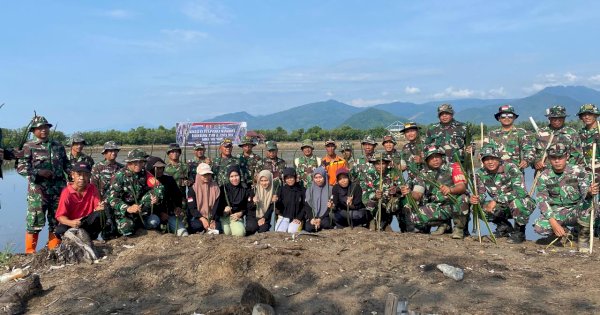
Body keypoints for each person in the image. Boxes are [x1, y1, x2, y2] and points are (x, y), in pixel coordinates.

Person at [17, 115, 70, 254]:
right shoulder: (29, 146)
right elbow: (21, 167)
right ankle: (30, 252)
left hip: (58, 190)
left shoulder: (58, 146)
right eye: (40, 128)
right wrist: (38, 173)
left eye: (45, 127)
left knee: (57, 221)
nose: (44, 130)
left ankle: (54, 250)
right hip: (38, 192)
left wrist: (76, 178)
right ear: (33, 131)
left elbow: (67, 165)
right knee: (34, 222)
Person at [533, 144, 598, 252]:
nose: (557, 161)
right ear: (549, 159)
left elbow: (584, 193)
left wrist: (590, 192)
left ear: (567, 156)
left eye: (560, 157)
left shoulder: (578, 171)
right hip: (556, 212)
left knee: (591, 206)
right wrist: (554, 224)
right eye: (553, 158)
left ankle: (583, 237)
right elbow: (542, 201)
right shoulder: (544, 176)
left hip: (575, 210)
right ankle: (565, 232)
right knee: (539, 227)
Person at [469, 144, 534, 243]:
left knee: (517, 203)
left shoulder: (511, 168)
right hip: (501, 206)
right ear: (482, 161)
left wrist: (496, 200)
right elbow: (481, 193)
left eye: (493, 158)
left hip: (521, 203)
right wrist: (476, 198)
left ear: (499, 158)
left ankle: (519, 232)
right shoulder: (480, 174)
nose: (490, 162)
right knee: (475, 207)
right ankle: (504, 226)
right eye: (486, 159)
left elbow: (520, 192)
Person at [400, 146, 469, 239]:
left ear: (442, 157)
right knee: (414, 218)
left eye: (437, 156)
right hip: (438, 206)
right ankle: (443, 224)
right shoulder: (422, 174)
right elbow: (418, 194)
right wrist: (409, 193)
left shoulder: (453, 166)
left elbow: (462, 187)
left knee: (463, 197)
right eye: (431, 158)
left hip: (454, 203)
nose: (435, 160)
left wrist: (451, 190)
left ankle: (459, 228)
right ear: (426, 160)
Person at [106, 149, 163, 236]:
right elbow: (112, 198)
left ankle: (140, 223)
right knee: (127, 228)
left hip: (141, 210)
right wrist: (127, 208)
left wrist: (156, 196)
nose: (138, 165)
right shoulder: (120, 175)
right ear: (129, 163)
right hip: (125, 213)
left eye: (141, 162)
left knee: (154, 221)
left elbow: (159, 187)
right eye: (135, 162)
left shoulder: (145, 173)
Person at [54, 161, 104, 241]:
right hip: (71, 223)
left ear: (89, 176)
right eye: (79, 174)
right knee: (60, 231)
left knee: (103, 213)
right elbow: (60, 216)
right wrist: (71, 222)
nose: (82, 178)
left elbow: (97, 206)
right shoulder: (66, 192)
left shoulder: (92, 188)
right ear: (73, 175)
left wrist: (101, 206)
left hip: (86, 222)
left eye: (85, 175)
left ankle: (101, 237)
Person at [146, 156, 187, 236]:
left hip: (169, 214)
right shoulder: (147, 180)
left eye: (161, 168)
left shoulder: (169, 179)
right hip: (154, 215)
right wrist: (160, 213)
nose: (160, 170)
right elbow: (147, 203)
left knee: (184, 233)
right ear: (151, 168)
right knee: (153, 222)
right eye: (157, 168)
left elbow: (177, 195)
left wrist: (178, 207)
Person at [484, 105, 534, 170]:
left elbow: (529, 149)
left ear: (514, 117)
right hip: (495, 173)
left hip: (515, 172)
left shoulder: (521, 132)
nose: (507, 118)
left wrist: (526, 160)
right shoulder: (491, 134)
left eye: (510, 116)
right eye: (503, 116)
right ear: (499, 118)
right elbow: (484, 151)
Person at [91, 141, 124, 239]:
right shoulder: (97, 167)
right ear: (104, 153)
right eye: (110, 151)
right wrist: (98, 202)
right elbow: (93, 186)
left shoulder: (121, 168)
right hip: (102, 201)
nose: (113, 153)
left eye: (115, 151)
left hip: (117, 200)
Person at [534, 105, 582, 170]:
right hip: (544, 172)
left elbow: (577, 155)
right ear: (549, 118)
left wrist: (567, 168)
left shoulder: (572, 133)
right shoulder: (540, 133)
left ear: (564, 118)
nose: (557, 121)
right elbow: (532, 153)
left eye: (560, 118)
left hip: (565, 173)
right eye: (554, 118)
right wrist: (536, 162)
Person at [363, 153, 401, 231]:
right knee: (370, 203)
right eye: (377, 164)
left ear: (387, 164)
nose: (380, 166)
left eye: (382, 163)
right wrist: (375, 196)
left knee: (400, 203)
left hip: (389, 203)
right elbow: (365, 194)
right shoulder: (369, 175)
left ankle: (403, 227)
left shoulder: (393, 173)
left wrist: (396, 189)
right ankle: (372, 221)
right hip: (376, 204)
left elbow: (401, 186)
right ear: (373, 164)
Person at [186, 163, 221, 234]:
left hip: (212, 217)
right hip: (197, 217)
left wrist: (213, 220)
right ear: (198, 175)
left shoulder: (216, 188)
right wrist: (202, 219)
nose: (206, 177)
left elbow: (217, 207)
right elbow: (192, 208)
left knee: (218, 227)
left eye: (208, 174)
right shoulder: (193, 189)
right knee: (197, 226)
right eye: (204, 175)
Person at [217, 166, 250, 236]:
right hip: (224, 217)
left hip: (236, 217)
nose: (234, 178)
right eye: (231, 176)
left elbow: (247, 206)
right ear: (228, 177)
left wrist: (241, 213)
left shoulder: (244, 189)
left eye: (236, 176)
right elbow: (217, 207)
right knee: (226, 233)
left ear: (240, 176)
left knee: (240, 233)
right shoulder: (223, 189)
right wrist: (224, 210)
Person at [275, 168, 307, 233]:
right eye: (287, 178)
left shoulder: (302, 190)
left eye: (291, 177)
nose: (289, 180)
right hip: (284, 217)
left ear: (295, 177)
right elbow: (278, 206)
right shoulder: (281, 190)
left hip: (297, 218)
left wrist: (299, 218)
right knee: (279, 232)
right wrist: (276, 201)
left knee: (291, 231)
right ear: (284, 179)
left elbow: (305, 206)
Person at [304, 167, 334, 232]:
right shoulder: (309, 190)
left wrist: (320, 219)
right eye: (316, 178)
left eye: (320, 177)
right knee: (308, 227)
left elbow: (330, 207)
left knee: (326, 224)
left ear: (324, 177)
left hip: (325, 216)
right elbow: (307, 206)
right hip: (313, 216)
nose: (318, 180)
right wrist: (312, 219)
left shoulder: (330, 189)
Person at [246, 170, 277, 234]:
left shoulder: (273, 192)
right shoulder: (254, 190)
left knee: (263, 230)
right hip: (253, 216)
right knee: (251, 228)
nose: (264, 183)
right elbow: (248, 207)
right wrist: (253, 202)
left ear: (270, 180)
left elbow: (271, 209)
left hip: (265, 216)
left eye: (266, 180)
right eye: (261, 181)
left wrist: (264, 218)